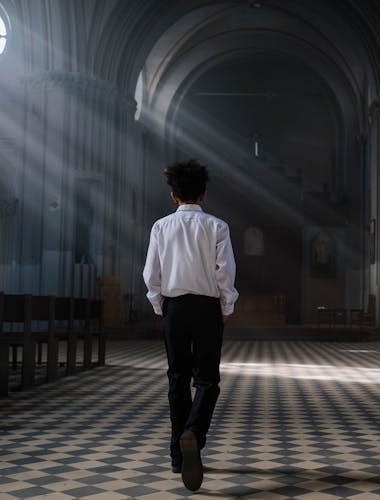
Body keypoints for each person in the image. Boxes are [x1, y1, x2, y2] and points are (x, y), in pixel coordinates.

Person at [142, 159, 238, 491]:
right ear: (203, 193)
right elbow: (224, 271)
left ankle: (176, 456)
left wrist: (160, 307)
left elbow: (150, 274)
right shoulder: (217, 226)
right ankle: (194, 434)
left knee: (177, 378)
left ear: (173, 196)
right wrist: (227, 305)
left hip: (174, 307)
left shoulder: (160, 227)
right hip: (207, 308)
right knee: (208, 380)